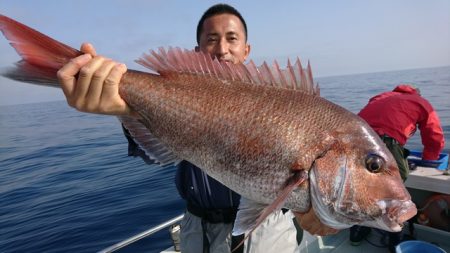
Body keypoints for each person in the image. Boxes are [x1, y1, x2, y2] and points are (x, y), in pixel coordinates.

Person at [57, 3, 323, 253]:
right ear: (196, 52)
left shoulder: (282, 102)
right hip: (197, 230)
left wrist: (322, 209)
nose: (222, 49)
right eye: (211, 39)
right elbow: (151, 153)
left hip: (266, 231)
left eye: (232, 38)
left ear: (246, 50)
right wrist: (123, 110)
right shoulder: (180, 98)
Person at [350, 84, 445, 252]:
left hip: (355, 141)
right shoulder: (420, 102)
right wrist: (430, 158)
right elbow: (433, 134)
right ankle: (394, 240)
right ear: (417, 93)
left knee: (360, 188)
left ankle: (357, 231)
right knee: (394, 193)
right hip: (385, 142)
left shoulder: (381, 96)